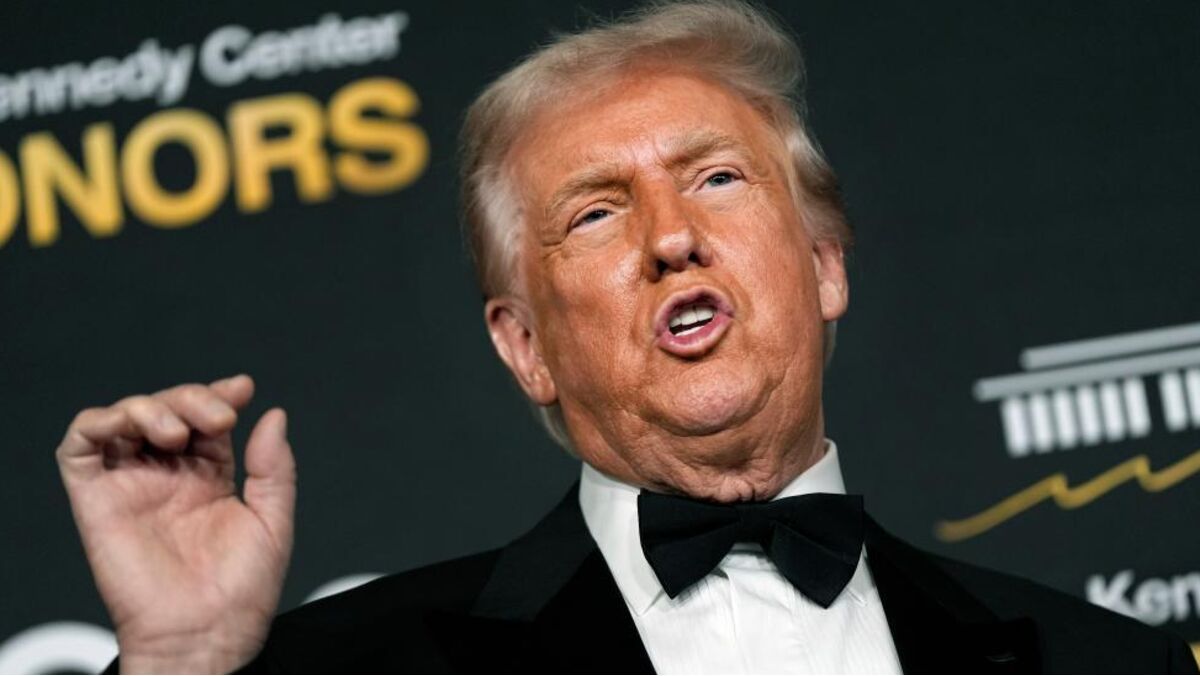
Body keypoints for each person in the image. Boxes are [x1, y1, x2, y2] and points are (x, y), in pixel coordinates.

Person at [56, 2, 1196, 673]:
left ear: (825, 265)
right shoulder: (356, 665)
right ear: (525, 347)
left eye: (717, 177)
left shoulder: (1104, 661)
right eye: (596, 213)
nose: (671, 237)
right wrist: (179, 667)